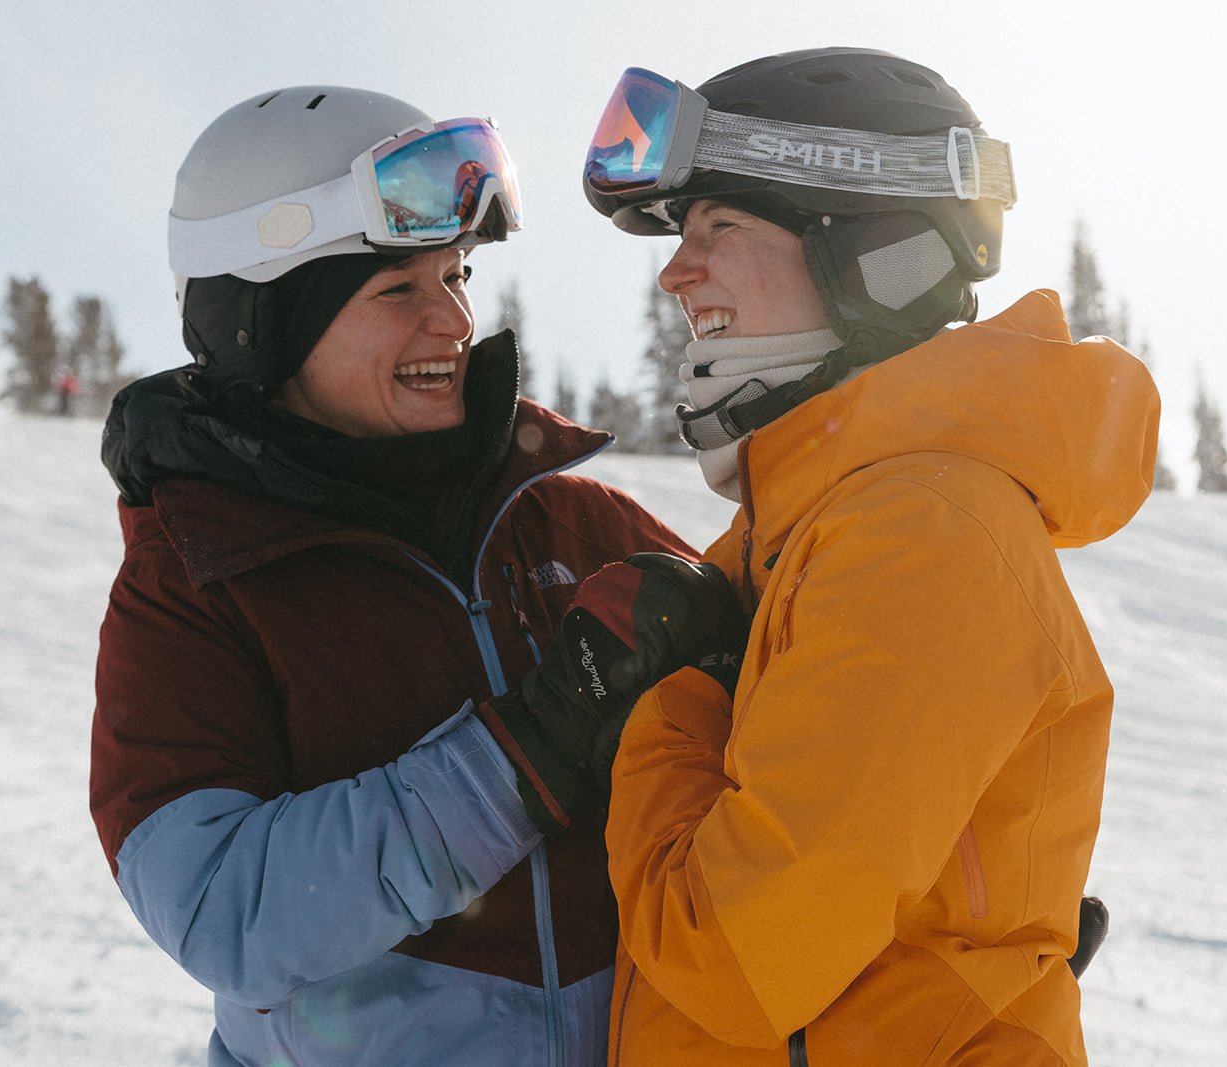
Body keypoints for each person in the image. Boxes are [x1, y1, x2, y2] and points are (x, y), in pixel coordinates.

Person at [88, 85, 740, 1067]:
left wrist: (942, 911)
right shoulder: (195, 580)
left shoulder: (570, 516)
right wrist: (529, 750)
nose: (453, 322)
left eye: (458, 276)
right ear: (265, 321)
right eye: (398, 290)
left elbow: (796, 707)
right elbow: (226, 910)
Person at [575, 48, 1162, 1063]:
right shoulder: (807, 529)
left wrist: (661, 703)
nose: (676, 271)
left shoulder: (919, 534)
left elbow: (730, 958)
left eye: (719, 225)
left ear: (866, 249)